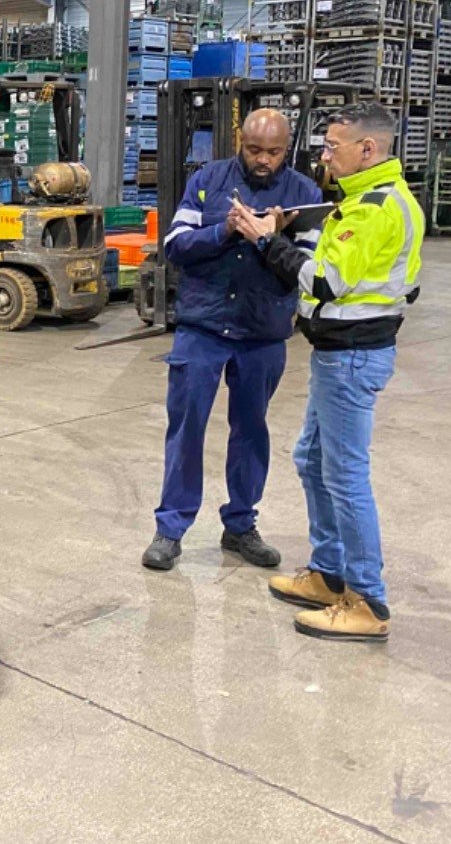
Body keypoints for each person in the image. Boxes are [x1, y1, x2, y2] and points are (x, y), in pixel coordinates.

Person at [229, 102, 421, 643]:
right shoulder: (367, 200)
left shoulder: (374, 209)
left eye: (333, 146)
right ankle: (328, 573)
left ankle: (366, 600)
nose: (325, 156)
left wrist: (266, 240)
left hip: (352, 356)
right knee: (311, 460)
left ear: (368, 149)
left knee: (345, 475)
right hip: (339, 352)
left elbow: (324, 282)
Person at [141, 108, 324, 573]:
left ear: (287, 148)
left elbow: (307, 269)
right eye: (254, 149)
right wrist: (224, 229)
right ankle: (170, 529)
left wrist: (270, 238)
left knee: (251, 430)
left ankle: (241, 524)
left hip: (262, 332)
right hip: (202, 328)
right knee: (186, 429)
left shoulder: (304, 195)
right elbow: (176, 245)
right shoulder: (208, 180)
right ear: (240, 141)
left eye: (274, 152)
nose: (263, 160)